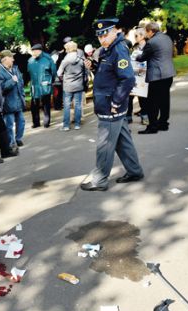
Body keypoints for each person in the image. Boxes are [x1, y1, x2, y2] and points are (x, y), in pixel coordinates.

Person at [81, 18, 144, 192]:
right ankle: (134, 171)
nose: (102, 39)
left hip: (111, 105)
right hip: (109, 103)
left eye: (105, 34)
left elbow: (127, 79)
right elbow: (109, 73)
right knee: (123, 141)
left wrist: (116, 101)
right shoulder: (108, 49)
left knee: (105, 144)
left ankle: (100, 179)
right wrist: (93, 66)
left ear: (115, 30)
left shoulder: (118, 49)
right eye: (99, 36)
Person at [136, 22, 176, 134]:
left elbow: (142, 57)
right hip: (169, 73)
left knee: (152, 102)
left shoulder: (151, 42)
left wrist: (136, 56)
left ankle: (152, 126)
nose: (146, 35)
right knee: (164, 100)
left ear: (150, 31)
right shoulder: (167, 38)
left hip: (157, 76)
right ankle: (163, 123)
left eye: (146, 32)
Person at [0, 49, 26, 148]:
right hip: (8, 103)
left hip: (18, 100)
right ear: (5, 59)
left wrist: (23, 95)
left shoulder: (15, 69)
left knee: (21, 121)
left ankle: (18, 138)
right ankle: (12, 142)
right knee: (9, 125)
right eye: (11, 57)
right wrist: (12, 81)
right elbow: (1, 88)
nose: (13, 59)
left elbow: (20, 83)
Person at [27, 44, 57, 128]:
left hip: (45, 85)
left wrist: (50, 81)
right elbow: (29, 73)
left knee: (46, 104)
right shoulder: (30, 60)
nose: (32, 52)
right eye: (32, 51)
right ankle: (36, 123)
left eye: (34, 51)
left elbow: (54, 72)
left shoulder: (48, 59)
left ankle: (46, 122)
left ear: (39, 51)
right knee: (34, 105)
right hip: (35, 85)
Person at [57, 41, 85, 131]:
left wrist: (64, 77)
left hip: (68, 86)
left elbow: (59, 73)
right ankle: (77, 124)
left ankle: (66, 126)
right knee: (77, 105)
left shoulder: (65, 61)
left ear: (67, 49)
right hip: (79, 85)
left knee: (67, 106)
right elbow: (85, 71)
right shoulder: (81, 59)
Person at [128, 28, 149, 125]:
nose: (135, 37)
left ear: (143, 36)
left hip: (145, 76)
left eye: (136, 35)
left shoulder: (149, 46)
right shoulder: (134, 47)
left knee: (143, 98)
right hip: (133, 75)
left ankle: (144, 116)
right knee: (130, 96)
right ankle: (128, 117)